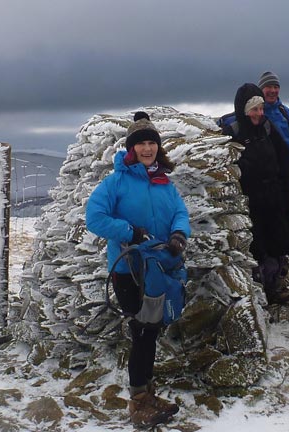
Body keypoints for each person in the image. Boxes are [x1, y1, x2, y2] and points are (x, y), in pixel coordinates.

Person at [86, 111, 190, 427]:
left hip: (158, 267)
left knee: (151, 329)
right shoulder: (116, 182)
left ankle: (145, 391)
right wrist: (130, 232)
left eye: (152, 143)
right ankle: (139, 401)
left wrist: (178, 234)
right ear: (131, 149)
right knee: (142, 330)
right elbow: (95, 218)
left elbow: (180, 212)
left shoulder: (164, 182)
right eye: (141, 144)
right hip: (129, 270)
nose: (147, 149)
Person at [223, 83, 289, 305]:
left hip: (272, 195)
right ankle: (258, 290)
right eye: (255, 110)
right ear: (244, 110)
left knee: (277, 241)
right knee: (256, 244)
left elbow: (284, 156)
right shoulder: (233, 132)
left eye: (261, 109)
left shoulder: (267, 128)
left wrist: (285, 186)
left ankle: (274, 285)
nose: (259, 114)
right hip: (249, 199)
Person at [257, 71, 289, 244]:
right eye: (268, 87)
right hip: (266, 174)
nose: (272, 91)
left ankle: (284, 255)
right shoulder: (256, 114)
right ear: (261, 89)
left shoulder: (286, 114)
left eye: (276, 87)